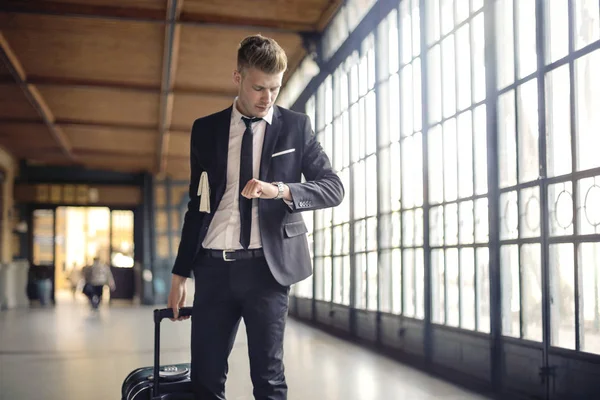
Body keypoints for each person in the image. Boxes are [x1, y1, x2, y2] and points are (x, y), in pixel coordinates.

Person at [167, 34, 344, 400]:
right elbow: (196, 205)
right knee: (204, 380)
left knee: (268, 380)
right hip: (213, 270)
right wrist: (180, 272)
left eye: (275, 88)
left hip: (268, 271)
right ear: (238, 78)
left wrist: (280, 190)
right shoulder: (206, 130)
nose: (267, 98)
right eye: (258, 87)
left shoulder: (296, 127)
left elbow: (333, 188)